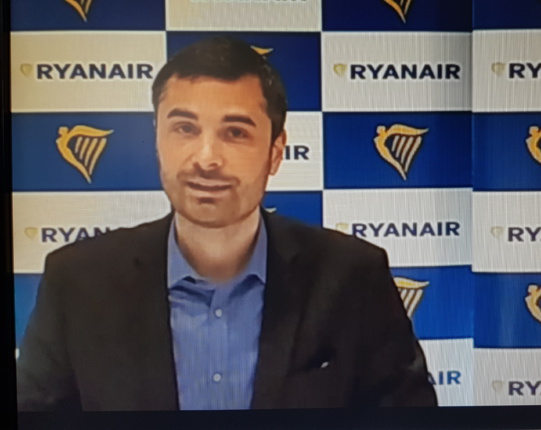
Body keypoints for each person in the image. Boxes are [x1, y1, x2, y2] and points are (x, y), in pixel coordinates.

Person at [16, 36, 436, 411]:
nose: (206, 158)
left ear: (275, 152)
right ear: (156, 140)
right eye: (184, 128)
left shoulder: (353, 277)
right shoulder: (76, 281)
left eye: (235, 132)